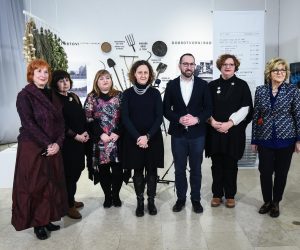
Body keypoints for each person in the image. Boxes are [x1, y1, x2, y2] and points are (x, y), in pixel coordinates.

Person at [11, 59, 68, 240]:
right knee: (36, 186)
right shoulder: (24, 95)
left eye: (45, 72)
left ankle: (48, 217)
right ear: (32, 75)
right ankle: (38, 223)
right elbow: (28, 123)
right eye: (39, 72)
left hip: (53, 147)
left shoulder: (53, 95)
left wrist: (58, 143)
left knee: (52, 184)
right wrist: (48, 144)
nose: (43, 75)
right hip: (33, 147)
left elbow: (61, 123)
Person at [163, 53, 212, 213]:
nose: (188, 67)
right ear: (180, 66)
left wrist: (197, 119)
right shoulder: (171, 85)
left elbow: (208, 109)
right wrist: (179, 119)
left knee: (196, 169)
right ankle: (181, 199)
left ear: (195, 66)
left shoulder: (203, 85)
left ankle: (196, 199)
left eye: (191, 64)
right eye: (185, 64)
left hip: (197, 134)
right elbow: (165, 110)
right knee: (179, 169)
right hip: (178, 134)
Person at [251, 58, 300, 217]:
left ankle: (276, 202)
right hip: (265, 138)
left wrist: (298, 139)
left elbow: (298, 115)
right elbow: (256, 115)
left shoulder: (293, 90)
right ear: (269, 73)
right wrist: (254, 140)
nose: (280, 73)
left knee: (281, 173)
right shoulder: (260, 90)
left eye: (283, 70)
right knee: (264, 172)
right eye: (276, 70)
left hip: (286, 139)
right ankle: (267, 201)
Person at [205, 54, 253, 208]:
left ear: (235, 67)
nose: (227, 67)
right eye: (225, 64)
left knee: (231, 165)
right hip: (215, 131)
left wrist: (229, 124)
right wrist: (212, 122)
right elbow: (205, 107)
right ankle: (217, 194)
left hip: (233, 133)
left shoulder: (242, 85)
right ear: (220, 66)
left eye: (231, 64)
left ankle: (230, 195)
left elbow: (246, 108)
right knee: (216, 164)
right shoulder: (211, 86)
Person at [122, 60, 164, 217]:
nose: (143, 75)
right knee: (138, 171)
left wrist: (147, 136)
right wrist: (138, 137)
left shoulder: (154, 93)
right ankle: (140, 202)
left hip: (152, 138)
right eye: (140, 72)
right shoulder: (127, 94)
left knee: (152, 171)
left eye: (146, 72)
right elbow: (125, 118)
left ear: (150, 74)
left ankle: (151, 201)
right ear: (134, 74)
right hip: (134, 139)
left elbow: (159, 117)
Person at [50, 70, 89, 219]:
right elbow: (59, 125)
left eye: (67, 80)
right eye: (61, 80)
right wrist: (75, 135)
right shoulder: (55, 100)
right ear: (55, 83)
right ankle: (68, 205)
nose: (65, 83)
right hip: (67, 143)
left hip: (80, 142)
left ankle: (69, 199)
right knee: (69, 175)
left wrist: (85, 132)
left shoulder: (73, 97)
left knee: (77, 171)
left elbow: (81, 117)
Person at [85, 70, 123, 208]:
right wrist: (101, 134)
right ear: (96, 81)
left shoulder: (119, 95)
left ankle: (116, 196)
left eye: (108, 78)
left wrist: (117, 132)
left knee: (118, 171)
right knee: (104, 171)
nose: (105, 80)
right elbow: (88, 118)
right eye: (101, 78)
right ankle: (107, 196)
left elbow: (126, 116)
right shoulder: (92, 97)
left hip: (117, 140)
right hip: (100, 141)